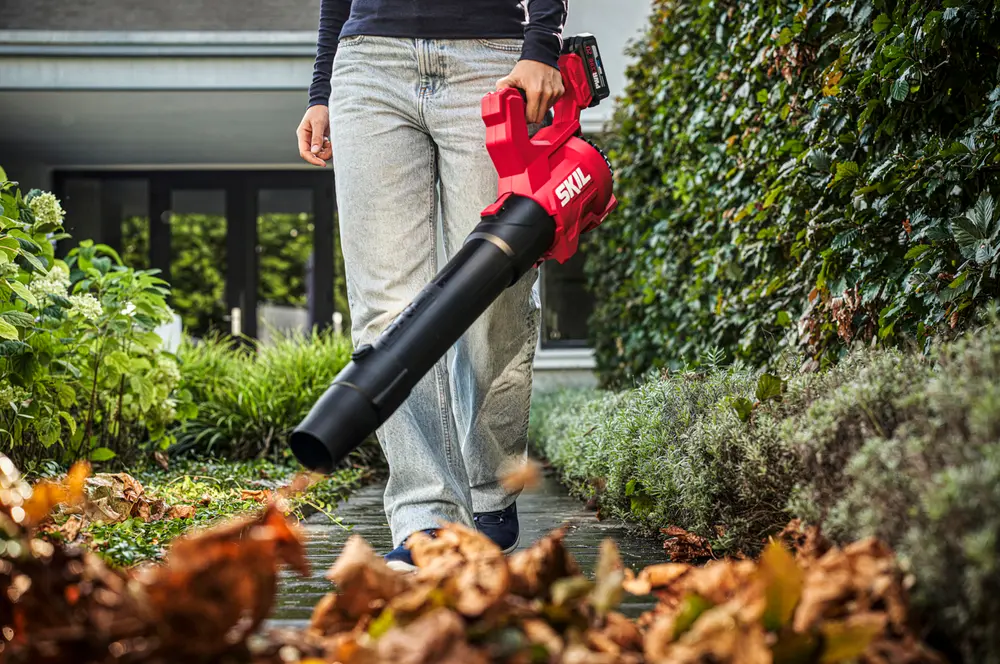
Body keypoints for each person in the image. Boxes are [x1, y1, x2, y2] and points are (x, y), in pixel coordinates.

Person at [296, 0, 568, 571]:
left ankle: (489, 483)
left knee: (495, 290)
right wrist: (321, 88)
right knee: (386, 309)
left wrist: (541, 40)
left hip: (488, 58)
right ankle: (428, 520)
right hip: (368, 65)